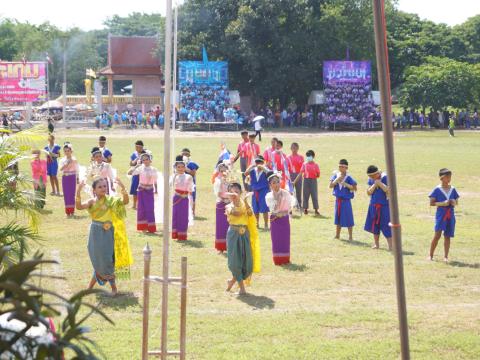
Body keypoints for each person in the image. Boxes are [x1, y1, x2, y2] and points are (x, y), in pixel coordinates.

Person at [76, 178, 132, 297]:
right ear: (94, 190)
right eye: (100, 187)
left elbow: (125, 202)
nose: (103, 188)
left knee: (107, 259)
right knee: (98, 260)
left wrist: (123, 188)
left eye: (105, 186)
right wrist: (78, 191)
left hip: (109, 234)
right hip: (95, 234)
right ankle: (90, 288)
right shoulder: (91, 202)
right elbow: (79, 207)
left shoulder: (111, 200)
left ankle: (113, 288)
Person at [225, 182, 260, 295]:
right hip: (233, 235)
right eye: (232, 192)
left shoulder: (246, 204)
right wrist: (242, 202)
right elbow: (237, 213)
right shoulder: (228, 206)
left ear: (241, 193)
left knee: (246, 261)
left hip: (245, 234)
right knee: (235, 262)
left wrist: (245, 201)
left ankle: (231, 281)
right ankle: (242, 289)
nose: (234, 194)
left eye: (237, 192)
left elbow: (250, 214)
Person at [428, 168, 459, 262]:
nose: (449, 179)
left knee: (447, 236)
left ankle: (446, 256)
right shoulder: (437, 189)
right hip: (441, 214)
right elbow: (431, 203)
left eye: (450, 177)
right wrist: (442, 203)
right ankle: (430, 255)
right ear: (442, 178)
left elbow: (457, 202)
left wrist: (454, 202)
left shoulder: (453, 189)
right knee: (437, 235)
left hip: (451, 214)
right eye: (447, 177)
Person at [265, 172, 293, 265]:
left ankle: (286, 259)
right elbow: (273, 208)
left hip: (284, 219)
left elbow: (290, 207)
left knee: (285, 239)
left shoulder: (286, 193)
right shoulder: (269, 196)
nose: (276, 184)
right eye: (273, 182)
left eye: (277, 182)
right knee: (276, 239)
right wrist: (277, 198)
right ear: (270, 185)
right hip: (275, 219)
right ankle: (277, 259)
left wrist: (284, 213)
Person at [364, 165, 392, 250]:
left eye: (372, 176)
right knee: (374, 225)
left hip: (384, 206)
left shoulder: (385, 177)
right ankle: (376, 244)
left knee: (386, 225)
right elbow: (368, 192)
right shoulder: (371, 179)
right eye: (370, 176)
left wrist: (379, 183)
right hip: (373, 205)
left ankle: (391, 245)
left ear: (377, 173)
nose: (371, 178)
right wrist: (374, 184)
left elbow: (388, 191)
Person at [128, 152, 158, 233]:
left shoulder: (154, 169)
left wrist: (156, 190)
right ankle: (143, 228)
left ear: (150, 160)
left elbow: (155, 181)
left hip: (150, 190)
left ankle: (151, 227)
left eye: (146, 159)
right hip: (141, 190)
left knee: (150, 208)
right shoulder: (140, 168)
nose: (145, 161)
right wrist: (136, 166)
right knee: (141, 208)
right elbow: (129, 173)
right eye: (143, 160)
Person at [329, 159, 357, 241]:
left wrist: (345, 183)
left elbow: (354, 188)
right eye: (339, 166)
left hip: (346, 201)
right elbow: (330, 186)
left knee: (349, 218)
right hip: (338, 200)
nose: (340, 168)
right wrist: (337, 179)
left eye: (342, 166)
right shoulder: (336, 175)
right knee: (338, 217)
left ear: (346, 167)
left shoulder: (349, 177)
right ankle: (337, 235)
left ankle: (350, 236)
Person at [172, 156, 194, 241]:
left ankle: (182, 235)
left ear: (185, 167)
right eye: (178, 167)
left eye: (182, 167)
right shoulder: (174, 176)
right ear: (176, 168)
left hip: (184, 199)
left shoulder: (189, 177)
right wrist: (174, 176)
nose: (180, 169)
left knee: (184, 216)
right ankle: (176, 234)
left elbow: (191, 189)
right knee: (176, 216)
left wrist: (186, 194)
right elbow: (170, 186)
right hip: (176, 198)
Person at [245, 156, 270, 229]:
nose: (258, 164)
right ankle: (257, 223)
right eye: (257, 162)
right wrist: (251, 166)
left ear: (263, 162)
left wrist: (263, 167)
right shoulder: (253, 170)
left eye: (260, 162)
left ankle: (266, 224)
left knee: (265, 208)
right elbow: (246, 173)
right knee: (255, 208)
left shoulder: (265, 170)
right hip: (255, 191)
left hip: (264, 191)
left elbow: (269, 173)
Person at [293, 150, 320, 215]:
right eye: (307, 156)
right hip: (306, 180)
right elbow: (300, 173)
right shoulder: (304, 164)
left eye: (309, 156)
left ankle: (316, 209)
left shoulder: (316, 165)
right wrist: (294, 181)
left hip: (313, 181)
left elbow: (318, 174)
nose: (308, 157)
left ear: (313, 156)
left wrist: (315, 174)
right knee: (305, 194)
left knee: (314, 195)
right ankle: (305, 209)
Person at [213, 162, 230, 252]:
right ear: (219, 171)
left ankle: (230, 245)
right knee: (221, 226)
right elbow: (218, 193)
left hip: (230, 204)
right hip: (221, 204)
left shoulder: (230, 179)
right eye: (221, 170)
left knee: (230, 225)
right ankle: (221, 247)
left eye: (225, 170)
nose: (223, 172)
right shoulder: (218, 180)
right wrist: (225, 198)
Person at [59, 143, 79, 217]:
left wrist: (77, 178)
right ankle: (67, 212)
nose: (67, 152)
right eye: (65, 151)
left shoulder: (74, 160)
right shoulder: (62, 160)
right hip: (65, 177)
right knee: (66, 194)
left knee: (72, 194)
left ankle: (72, 211)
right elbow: (60, 170)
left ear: (71, 151)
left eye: (68, 151)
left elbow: (77, 169)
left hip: (72, 177)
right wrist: (66, 165)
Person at [181, 148, 199, 216]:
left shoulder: (191, 163)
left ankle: (192, 213)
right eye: (183, 154)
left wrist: (186, 169)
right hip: (182, 183)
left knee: (192, 198)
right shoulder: (179, 163)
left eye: (186, 154)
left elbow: (193, 173)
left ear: (189, 155)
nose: (185, 155)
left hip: (191, 183)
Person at [288, 142, 304, 208]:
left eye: (295, 148)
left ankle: (299, 205)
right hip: (290, 175)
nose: (294, 149)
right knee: (290, 191)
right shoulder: (288, 157)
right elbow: (286, 168)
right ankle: (290, 205)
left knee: (298, 191)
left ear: (298, 148)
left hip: (298, 175)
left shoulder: (301, 157)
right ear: (290, 148)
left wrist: (300, 175)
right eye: (292, 148)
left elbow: (302, 168)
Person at [129, 140, 144, 209]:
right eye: (136, 147)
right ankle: (134, 205)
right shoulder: (134, 154)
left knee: (142, 190)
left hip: (143, 175)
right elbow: (131, 163)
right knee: (134, 190)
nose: (137, 148)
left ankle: (141, 205)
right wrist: (137, 159)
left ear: (142, 147)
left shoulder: (145, 154)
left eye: (138, 147)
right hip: (135, 174)